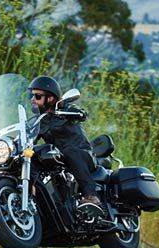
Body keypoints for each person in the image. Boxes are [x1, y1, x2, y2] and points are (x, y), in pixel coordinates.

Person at [28, 75, 104, 216]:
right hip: (60, 159)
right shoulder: (39, 121)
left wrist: (77, 113)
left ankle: (91, 197)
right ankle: (32, 196)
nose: (32, 99)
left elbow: (82, 113)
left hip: (82, 154)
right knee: (32, 156)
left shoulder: (65, 109)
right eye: (31, 95)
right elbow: (29, 139)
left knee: (70, 151)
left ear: (50, 98)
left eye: (37, 96)